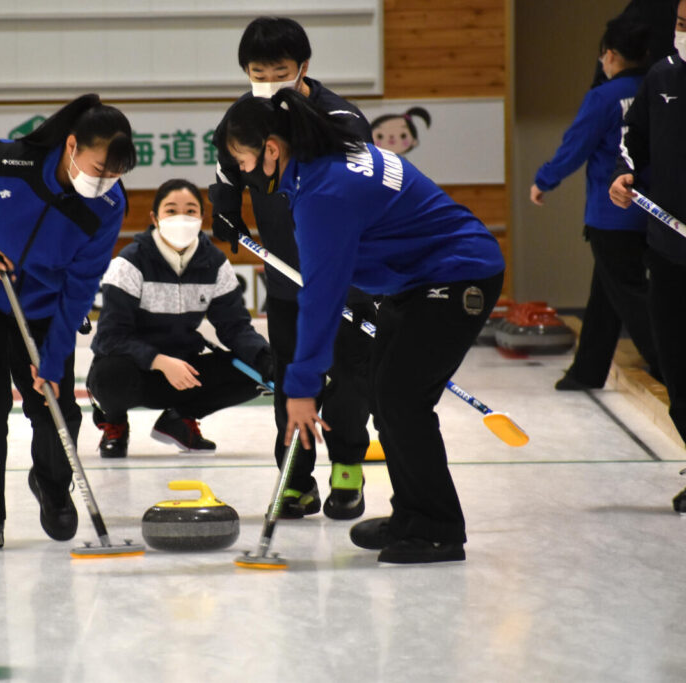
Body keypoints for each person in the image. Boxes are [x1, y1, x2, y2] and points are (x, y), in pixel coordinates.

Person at [216, 89, 506, 563]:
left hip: (458, 274)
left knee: (401, 397)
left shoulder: (324, 190)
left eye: (241, 159)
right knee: (383, 389)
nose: (243, 172)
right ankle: (412, 515)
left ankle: (437, 529)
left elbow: (322, 296)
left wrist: (303, 388)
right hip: (419, 279)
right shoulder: (325, 161)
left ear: (271, 149)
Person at [0, 94, 136, 551]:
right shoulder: (8, 162)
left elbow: (81, 286)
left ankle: (51, 483)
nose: (106, 182)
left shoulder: (106, 207)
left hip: (43, 304)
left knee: (54, 405)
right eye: (99, 168)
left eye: (117, 175)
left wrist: (54, 357)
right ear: (71, 147)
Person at [209, 16, 375, 520]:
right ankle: (295, 481)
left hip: (348, 275)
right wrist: (226, 209)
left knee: (348, 378)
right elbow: (225, 170)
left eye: (278, 69)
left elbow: (361, 191)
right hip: (286, 276)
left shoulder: (340, 118)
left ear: (303, 66)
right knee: (290, 383)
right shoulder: (240, 119)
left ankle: (348, 469)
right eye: (257, 70)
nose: (267, 80)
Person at [87, 179, 273, 457]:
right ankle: (114, 423)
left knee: (255, 371)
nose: (181, 218)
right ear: (155, 218)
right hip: (133, 368)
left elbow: (235, 328)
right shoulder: (129, 263)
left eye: (190, 211)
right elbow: (111, 337)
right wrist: (159, 361)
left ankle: (180, 419)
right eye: (171, 211)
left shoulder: (215, 264)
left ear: (201, 218)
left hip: (186, 371)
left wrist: (266, 359)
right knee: (110, 377)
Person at [531, 14, 660, 391]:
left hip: (610, 215)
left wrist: (544, 180)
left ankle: (669, 365)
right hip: (652, 213)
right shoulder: (657, 88)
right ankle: (586, 372)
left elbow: (576, 146)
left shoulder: (603, 97)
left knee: (632, 297)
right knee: (606, 295)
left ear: (610, 55)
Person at [610, 0, 686, 511]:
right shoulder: (661, 77)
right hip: (669, 248)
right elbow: (633, 143)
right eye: (681, 24)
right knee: (677, 363)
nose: (682, 34)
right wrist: (626, 177)